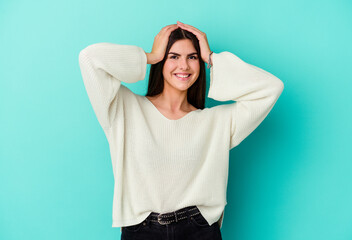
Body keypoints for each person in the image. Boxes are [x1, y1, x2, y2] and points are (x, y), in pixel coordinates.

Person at [78, 21, 284, 240]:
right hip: (141, 231)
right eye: (173, 56)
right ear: (161, 62)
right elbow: (89, 58)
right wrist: (150, 56)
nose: (184, 66)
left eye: (192, 57)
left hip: (199, 231)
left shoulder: (217, 122)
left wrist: (212, 57)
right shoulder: (124, 109)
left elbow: (272, 87)